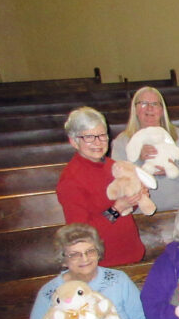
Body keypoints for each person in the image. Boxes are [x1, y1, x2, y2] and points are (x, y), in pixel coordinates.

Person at [56, 106, 145, 266]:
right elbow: (80, 234)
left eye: (102, 135)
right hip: (104, 261)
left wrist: (136, 197)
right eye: (89, 137)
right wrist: (116, 209)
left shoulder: (114, 165)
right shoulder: (70, 179)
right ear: (74, 141)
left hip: (132, 252)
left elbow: (128, 206)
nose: (98, 143)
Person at [112, 86, 179, 211]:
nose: (149, 108)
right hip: (141, 211)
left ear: (161, 110)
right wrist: (138, 160)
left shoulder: (177, 135)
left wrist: (173, 169)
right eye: (143, 103)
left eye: (154, 104)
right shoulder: (122, 141)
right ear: (135, 109)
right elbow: (118, 179)